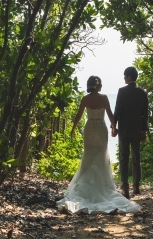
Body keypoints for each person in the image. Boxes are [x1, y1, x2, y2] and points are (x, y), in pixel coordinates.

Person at [56, 76, 141, 214]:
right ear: (98, 85)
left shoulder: (85, 99)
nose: (102, 85)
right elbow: (110, 114)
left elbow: (78, 116)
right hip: (101, 128)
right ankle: (101, 185)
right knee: (101, 154)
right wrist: (114, 127)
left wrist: (73, 129)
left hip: (89, 128)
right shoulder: (104, 98)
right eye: (101, 83)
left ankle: (85, 186)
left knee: (89, 154)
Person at [111, 66, 149, 198]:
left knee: (123, 158)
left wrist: (113, 126)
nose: (123, 78)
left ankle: (125, 187)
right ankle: (136, 186)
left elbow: (118, 110)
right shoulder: (143, 93)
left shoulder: (122, 91)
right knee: (136, 158)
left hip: (124, 129)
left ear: (128, 77)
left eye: (124, 76)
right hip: (137, 129)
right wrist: (144, 131)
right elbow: (145, 114)